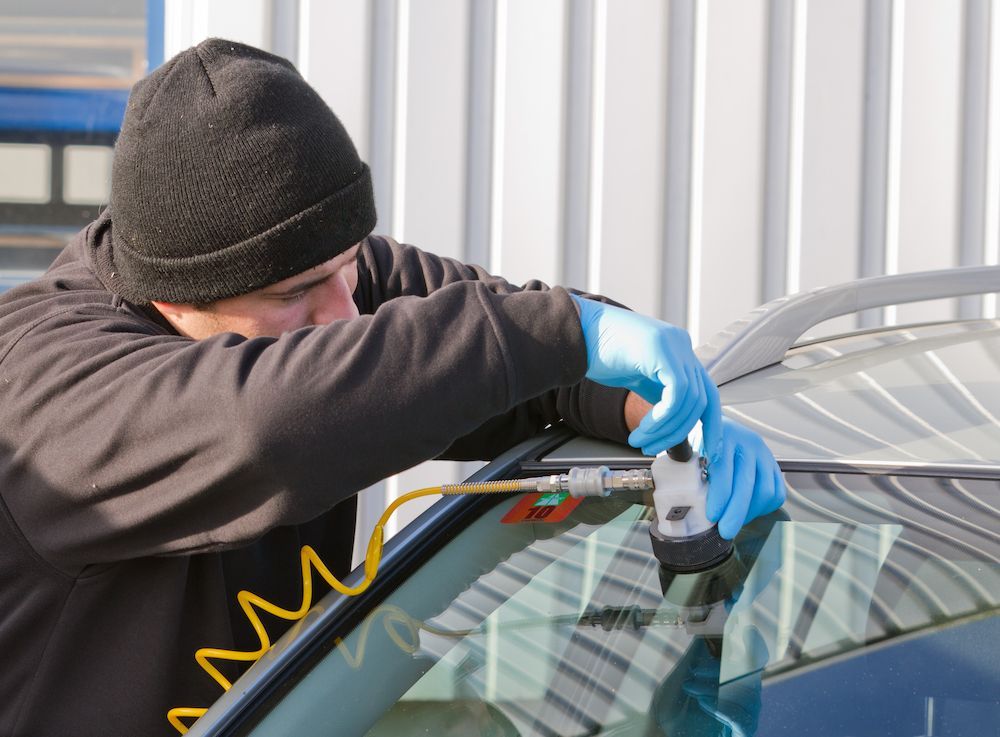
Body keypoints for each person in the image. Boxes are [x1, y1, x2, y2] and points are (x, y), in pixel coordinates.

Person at [0, 39, 784, 736]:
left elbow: (510, 352)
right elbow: (270, 424)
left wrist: (661, 416)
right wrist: (560, 334)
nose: (346, 312)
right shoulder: (46, 392)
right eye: (300, 293)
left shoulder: (307, 272)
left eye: (350, 267)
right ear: (176, 299)